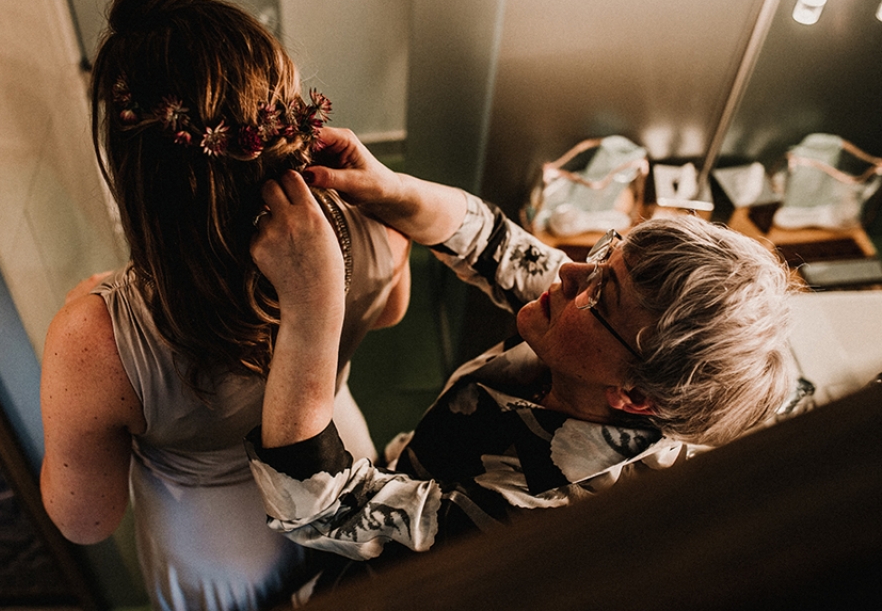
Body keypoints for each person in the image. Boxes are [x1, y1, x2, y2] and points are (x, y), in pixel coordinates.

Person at [245, 126, 797, 592]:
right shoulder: (598, 335)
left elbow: (320, 505)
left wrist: (314, 304)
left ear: (633, 396)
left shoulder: (543, 509)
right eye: (608, 254)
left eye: (603, 293)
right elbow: (494, 242)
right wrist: (393, 190)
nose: (571, 272)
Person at [38, 0, 410, 611]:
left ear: (136, 173)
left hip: (221, 559)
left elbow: (85, 520)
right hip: (343, 478)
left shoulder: (93, 339)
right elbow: (394, 308)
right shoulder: (370, 217)